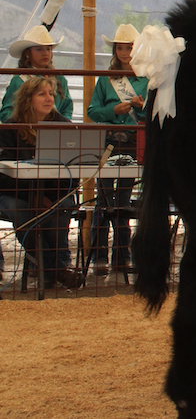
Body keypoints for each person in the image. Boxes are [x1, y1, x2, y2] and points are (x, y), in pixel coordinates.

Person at [0, 75, 83, 289]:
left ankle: (48, 270)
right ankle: (56, 270)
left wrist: (49, 197)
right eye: (42, 94)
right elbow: (3, 177)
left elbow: (73, 173)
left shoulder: (64, 126)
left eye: (51, 94)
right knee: (21, 210)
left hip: (54, 194)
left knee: (62, 207)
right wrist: (35, 196)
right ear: (28, 99)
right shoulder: (9, 128)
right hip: (15, 194)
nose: (49, 98)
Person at [87, 24, 148, 279]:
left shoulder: (147, 79)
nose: (124, 52)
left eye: (129, 47)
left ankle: (121, 256)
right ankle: (100, 256)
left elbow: (153, 112)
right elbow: (92, 111)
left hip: (132, 142)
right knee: (103, 200)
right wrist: (112, 111)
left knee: (122, 200)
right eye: (120, 48)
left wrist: (140, 107)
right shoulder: (106, 78)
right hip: (109, 142)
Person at [1, 25, 74, 123]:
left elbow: (67, 107)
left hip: (55, 129)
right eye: (39, 49)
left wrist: (60, 124)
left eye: (48, 49)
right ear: (27, 53)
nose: (45, 53)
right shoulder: (20, 80)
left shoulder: (59, 78)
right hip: (27, 129)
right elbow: (7, 113)